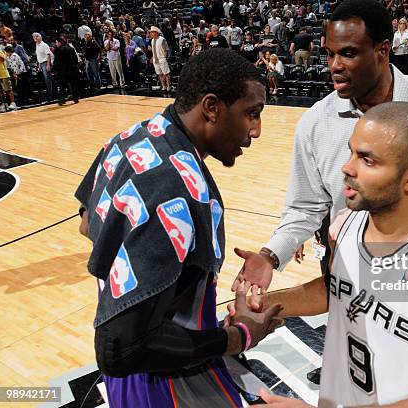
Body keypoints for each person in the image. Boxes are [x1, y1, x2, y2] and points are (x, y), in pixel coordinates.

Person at [233, 0, 408, 304]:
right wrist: (270, 256)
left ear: (383, 51)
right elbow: (304, 208)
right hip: (351, 287)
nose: (335, 65)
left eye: (348, 53)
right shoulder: (316, 122)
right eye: (330, 54)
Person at [230, 102, 408, 407]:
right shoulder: (346, 222)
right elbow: (335, 288)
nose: (347, 167)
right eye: (351, 152)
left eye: (367, 160)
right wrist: (265, 304)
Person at [75, 49, 281, 407]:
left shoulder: (130, 138)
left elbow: (86, 224)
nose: (256, 130)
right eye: (252, 113)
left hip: (132, 377)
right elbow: (120, 349)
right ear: (212, 107)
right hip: (167, 381)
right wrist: (240, 335)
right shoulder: (177, 193)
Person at [53, 37, 80, 106]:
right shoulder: (71, 49)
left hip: (63, 71)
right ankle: (76, 99)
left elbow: (57, 62)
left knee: (62, 86)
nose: (56, 44)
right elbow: (76, 59)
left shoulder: (59, 50)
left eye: (56, 42)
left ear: (59, 42)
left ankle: (62, 100)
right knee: (74, 84)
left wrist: (55, 70)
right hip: (72, 69)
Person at [32, 32, 53, 101]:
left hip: (46, 63)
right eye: (34, 37)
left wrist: (48, 65)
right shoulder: (37, 45)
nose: (36, 37)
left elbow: (48, 55)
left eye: (37, 36)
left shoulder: (44, 45)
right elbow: (39, 57)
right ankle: (49, 95)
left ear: (40, 37)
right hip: (42, 64)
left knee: (48, 80)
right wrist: (39, 66)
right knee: (46, 80)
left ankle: (51, 96)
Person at [149, 26, 171, 92]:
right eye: (151, 32)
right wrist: (152, 57)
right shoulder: (152, 40)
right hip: (155, 60)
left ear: (156, 33)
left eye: (152, 32)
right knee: (160, 74)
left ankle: (168, 86)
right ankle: (163, 86)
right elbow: (154, 51)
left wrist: (165, 58)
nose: (151, 33)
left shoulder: (162, 39)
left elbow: (166, 49)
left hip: (162, 59)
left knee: (166, 73)